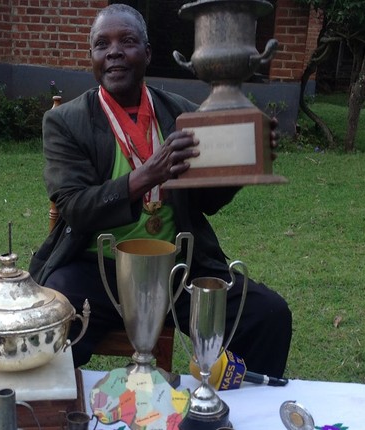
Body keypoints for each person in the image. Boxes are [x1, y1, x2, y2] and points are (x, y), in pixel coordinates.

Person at [29, 4, 292, 378]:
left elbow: (206, 202)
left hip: (178, 271)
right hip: (98, 272)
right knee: (51, 323)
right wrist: (147, 175)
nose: (114, 51)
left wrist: (243, 163)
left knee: (267, 314)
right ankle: (63, 411)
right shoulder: (66, 122)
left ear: (147, 54)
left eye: (128, 41)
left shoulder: (182, 115)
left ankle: (237, 407)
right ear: (92, 58)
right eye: (102, 44)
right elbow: (75, 207)